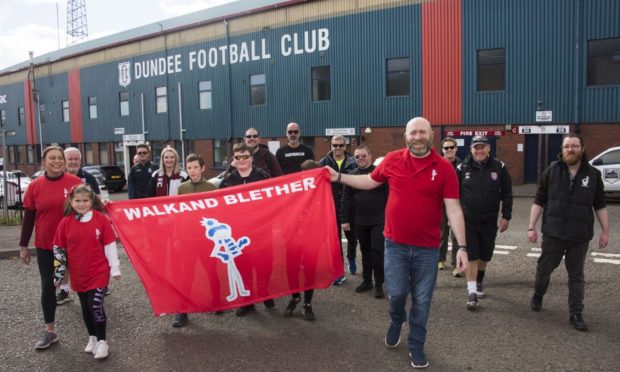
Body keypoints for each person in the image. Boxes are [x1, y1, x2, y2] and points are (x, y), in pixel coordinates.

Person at [326, 117, 469, 369]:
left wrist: (463, 248)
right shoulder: (393, 159)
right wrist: (338, 177)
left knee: (423, 300)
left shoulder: (444, 168)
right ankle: (396, 319)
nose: (417, 137)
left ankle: (416, 345)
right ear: (406, 136)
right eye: (413, 133)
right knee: (397, 294)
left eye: (422, 132)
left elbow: (454, 209)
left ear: (431, 136)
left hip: (427, 249)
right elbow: (370, 181)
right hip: (395, 245)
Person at [527, 134, 609, 331]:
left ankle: (576, 313)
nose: (570, 149)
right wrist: (531, 227)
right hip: (553, 234)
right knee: (544, 269)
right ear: (562, 149)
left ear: (582, 148)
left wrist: (605, 231)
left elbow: (600, 204)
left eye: (574, 146)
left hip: (579, 235)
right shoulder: (552, 171)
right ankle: (538, 295)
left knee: (576, 275)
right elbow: (539, 200)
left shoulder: (593, 174)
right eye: (567, 146)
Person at [19, 145, 83, 350]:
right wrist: (23, 246)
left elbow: (88, 208)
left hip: (73, 243)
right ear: (44, 162)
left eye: (59, 158)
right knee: (48, 285)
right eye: (52, 158)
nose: (56, 161)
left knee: (84, 285)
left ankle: (96, 335)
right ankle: (49, 331)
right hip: (46, 245)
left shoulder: (75, 183)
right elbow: (29, 218)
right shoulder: (35, 186)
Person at [52, 184, 120, 359]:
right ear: (71, 201)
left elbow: (110, 245)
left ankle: (103, 341)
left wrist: (115, 268)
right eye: (78, 201)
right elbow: (59, 249)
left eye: (85, 200)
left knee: (95, 305)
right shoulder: (65, 223)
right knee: (85, 308)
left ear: (92, 201)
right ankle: (93, 338)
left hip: (98, 272)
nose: (81, 204)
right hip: (78, 274)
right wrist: (59, 275)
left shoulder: (101, 220)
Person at [456, 135, 512, 310]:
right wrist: (454, 219)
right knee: (471, 254)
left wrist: (506, 216)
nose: (479, 151)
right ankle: (472, 292)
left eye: (482, 147)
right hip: (468, 221)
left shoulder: (500, 167)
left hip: (489, 220)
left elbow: (507, 194)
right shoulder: (461, 168)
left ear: (489, 148)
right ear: (471, 150)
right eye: (476, 148)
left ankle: (479, 280)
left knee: (485, 254)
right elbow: (453, 197)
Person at [220, 143, 275, 317]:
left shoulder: (263, 176)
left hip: (261, 229)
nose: (242, 160)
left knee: (264, 264)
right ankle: (249, 301)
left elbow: (275, 198)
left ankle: (265, 293)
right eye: (238, 157)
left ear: (251, 158)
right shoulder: (228, 180)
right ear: (234, 160)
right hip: (238, 231)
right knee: (244, 265)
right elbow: (216, 203)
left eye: (245, 157)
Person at [172, 153, 217, 327]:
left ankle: (217, 303)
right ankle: (182, 311)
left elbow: (218, 213)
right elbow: (177, 214)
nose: (192, 171)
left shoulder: (212, 188)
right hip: (187, 240)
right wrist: (176, 237)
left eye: (195, 167)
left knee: (212, 273)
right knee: (186, 276)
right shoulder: (182, 188)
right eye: (189, 168)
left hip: (206, 240)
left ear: (203, 168)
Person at [55, 147, 102, 305]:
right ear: (64, 160)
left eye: (76, 159)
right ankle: (65, 289)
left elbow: (98, 201)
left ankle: (97, 285)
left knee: (90, 258)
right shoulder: (59, 178)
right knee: (65, 258)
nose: (73, 162)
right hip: (65, 226)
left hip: (87, 227)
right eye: (70, 159)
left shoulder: (88, 178)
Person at [341, 146, 388, 298]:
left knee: (377, 251)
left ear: (370, 155)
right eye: (357, 157)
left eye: (363, 156)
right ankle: (367, 280)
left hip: (379, 220)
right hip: (360, 220)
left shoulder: (380, 173)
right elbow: (346, 199)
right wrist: (344, 219)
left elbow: (390, 196)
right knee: (365, 251)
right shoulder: (351, 176)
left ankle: (379, 283)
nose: (360, 159)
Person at [282, 159, 321, 321]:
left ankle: (307, 303)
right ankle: (295, 297)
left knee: (310, 270)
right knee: (292, 269)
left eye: (312, 175)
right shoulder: (293, 191)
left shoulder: (321, 192)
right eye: (305, 175)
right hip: (293, 237)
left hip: (313, 237)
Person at [320, 135, 358, 284]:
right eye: (335, 145)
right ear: (331, 146)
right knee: (335, 240)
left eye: (341, 145)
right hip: (332, 204)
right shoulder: (324, 163)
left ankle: (351, 257)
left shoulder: (353, 162)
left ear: (345, 146)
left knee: (352, 238)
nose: (337, 148)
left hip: (350, 205)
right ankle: (339, 271)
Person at [437, 138, 462, 276]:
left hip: (457, 205)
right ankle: (440, 259)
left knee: (457, 235)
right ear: (442, 150)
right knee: (442, 233)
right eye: (446, 148)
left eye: (452, 147)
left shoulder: (462, 166)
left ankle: (456, 265)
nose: (449, 150)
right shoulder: (437, 165)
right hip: (440, 206)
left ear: (456, 148)